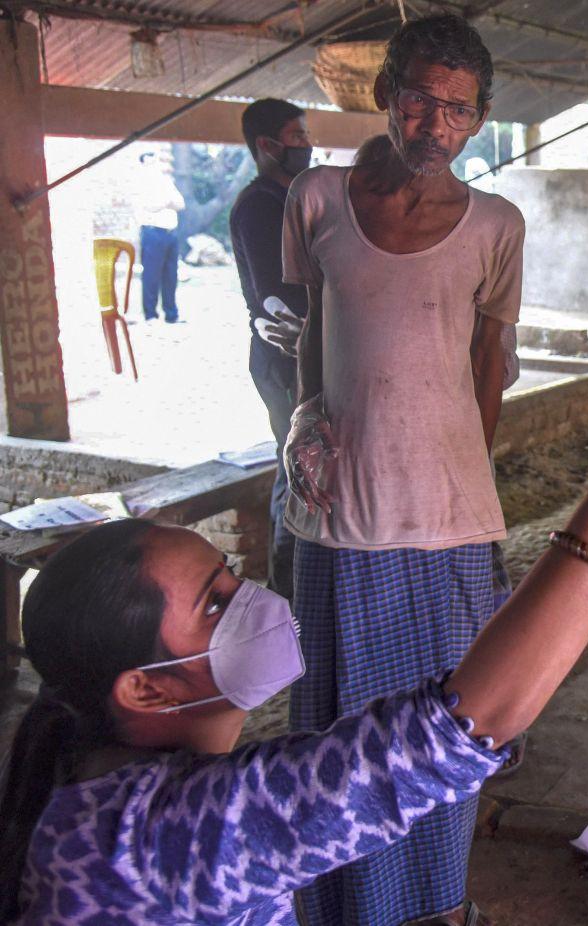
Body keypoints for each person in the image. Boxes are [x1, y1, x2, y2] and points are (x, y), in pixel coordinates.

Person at [0, 325, 588, 926]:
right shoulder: (161, 836)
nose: (254, 600)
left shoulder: (105, 795)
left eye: (233, 577)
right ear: (145, 690)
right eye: (215, 603)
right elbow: (456, 731)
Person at [281, 15, 524, 925]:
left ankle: (434, 904)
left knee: (445, 727)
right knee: (338, 724)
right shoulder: (315, 199)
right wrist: (305, 430)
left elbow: (488, 365)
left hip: (449, 523)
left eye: (458, 110)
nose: (434, 125)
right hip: (341, 517)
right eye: (419, 99)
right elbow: (314, 331)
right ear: (385, 94)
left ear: (481, 120)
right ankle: (339, 905)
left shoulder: (497, 227)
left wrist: (462, 472)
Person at [229, 98, 314, 601]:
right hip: (283, 357)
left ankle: (304, 586)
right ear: (267, 145)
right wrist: (311, 338)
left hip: (309, 350)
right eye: (296, 136)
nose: (306, 145)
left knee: (310, 466)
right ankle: (285, 595)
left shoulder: (294, 198)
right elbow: (274, 298)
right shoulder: (259, 206)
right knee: (296, 469)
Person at [134, 150, 185, 323]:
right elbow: (151, 206)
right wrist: (166, 202)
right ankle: (150, 315)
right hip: (152, 232)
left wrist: (165, 202)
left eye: (154, 161)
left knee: (171, 275)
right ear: (142, 164)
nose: (153, 165)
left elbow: (180, 203)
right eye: (148, 161)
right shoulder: (141, 183)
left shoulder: (166, 182)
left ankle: (171, 314)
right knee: (151, 275)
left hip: (170, 233)